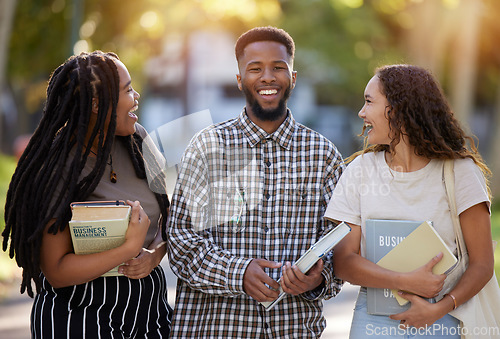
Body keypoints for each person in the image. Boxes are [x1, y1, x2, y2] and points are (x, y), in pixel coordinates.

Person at [167, 26, 345, 338]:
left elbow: (339, 247)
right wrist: (239, 273)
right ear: (239, 80)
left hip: (293, 329)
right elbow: (180, 241)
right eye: (255, 68)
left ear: (292, 77)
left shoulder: (325, 156)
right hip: (215, 330)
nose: (267, 77)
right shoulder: (207, 147)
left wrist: (318, 278)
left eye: (278, 67)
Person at [2, 51, 173, 338]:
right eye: (128, 89)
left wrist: (154, 255)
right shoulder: (58, 167)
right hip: (81, 314)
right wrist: (127, 250)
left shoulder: (139, 140)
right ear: (97, 104)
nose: (137, 96)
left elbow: (167, 216)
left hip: (148, 310)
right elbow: (55, 271)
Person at [325, 64, 493, 338]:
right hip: (373, 320)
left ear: (398, 109)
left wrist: (439, 309)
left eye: (369, 101)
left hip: (442, 318)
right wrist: (404, 280)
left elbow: (482, 264)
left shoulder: (460, 173)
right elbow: (344, 261)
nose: (361, 112)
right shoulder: (360, 170)